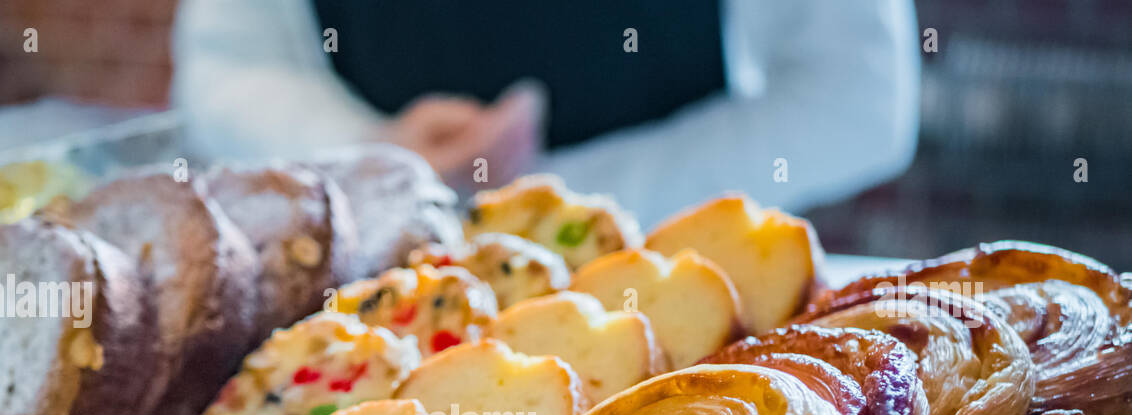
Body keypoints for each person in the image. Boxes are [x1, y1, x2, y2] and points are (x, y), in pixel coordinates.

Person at [173, 0, 919, 226]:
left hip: (675, 301)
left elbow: (860, 96)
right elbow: (225, 64)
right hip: (370, 290)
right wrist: (370, 153)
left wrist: (559, 200)